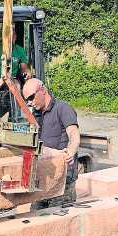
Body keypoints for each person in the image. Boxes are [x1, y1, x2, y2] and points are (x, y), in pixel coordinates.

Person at [22, 78, 80, 208]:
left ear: (42, 90)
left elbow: (74, 135)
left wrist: (70, 152)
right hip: (43, 178)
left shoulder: (62, 108)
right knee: (35, 217)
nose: (29, 103)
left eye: (31, 98)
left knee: (60, 221)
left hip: (63, 180)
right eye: (27, 100)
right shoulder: (35, 115)